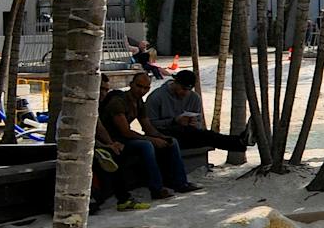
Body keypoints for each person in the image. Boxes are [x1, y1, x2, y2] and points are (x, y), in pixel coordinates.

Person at [100, 72, 194, 201]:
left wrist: (161, 137)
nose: (141, 91)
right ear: (131, 84)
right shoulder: (119, 101)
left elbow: (147, 127)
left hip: (125, 138)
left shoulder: (139, 102)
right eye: (139, 86)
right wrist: (152, 139)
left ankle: (181, 183)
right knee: (146, 146)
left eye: (145, 88)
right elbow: (125, 132)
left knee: (172, 141)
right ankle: (156, 189)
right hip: (114, 139)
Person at [144, 69, 248, 154]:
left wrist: (193, 123)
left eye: (188, 90)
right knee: (205, 137)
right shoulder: (156, 97)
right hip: (163, 134)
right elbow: (150, 125)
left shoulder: (194, 98)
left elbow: (198, 123)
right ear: (175, 83)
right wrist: (174, 121)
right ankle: (238, 142)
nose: (185, 93)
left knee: (207, 135)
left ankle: (240, 142)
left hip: (188, 132)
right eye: (183, 89)